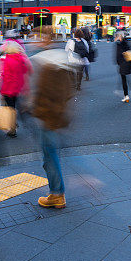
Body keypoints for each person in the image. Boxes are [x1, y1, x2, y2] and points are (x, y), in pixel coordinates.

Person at [30, 29, 76, 208]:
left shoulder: (47, 62)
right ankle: (57, 191)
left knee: (49, 155)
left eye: (37, 38)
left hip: (47, 117)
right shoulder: (59, 58)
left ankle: (57, 193)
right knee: (51, 153)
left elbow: (46, 93)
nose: (34, 42)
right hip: (55, 116)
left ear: (44, 39)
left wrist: (36, 109)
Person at [0, 39, 31, 137]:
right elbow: (26, 70)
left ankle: (12, 128)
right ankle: (13, 123)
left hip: (6, 88)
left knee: (8, 108)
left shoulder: (3, 59)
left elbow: (1, 76)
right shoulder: (20, 58)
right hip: (16, 88)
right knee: (12, 106)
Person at [115, 31, 131, 102]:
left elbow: (118, 55)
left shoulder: (119, 44)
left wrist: (118, 63)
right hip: (129, 63)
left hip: (123, 64)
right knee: (126, 79)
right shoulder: (127, 42)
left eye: (117, 36)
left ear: (119, 36)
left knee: (124, 80)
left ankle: (127, 95)